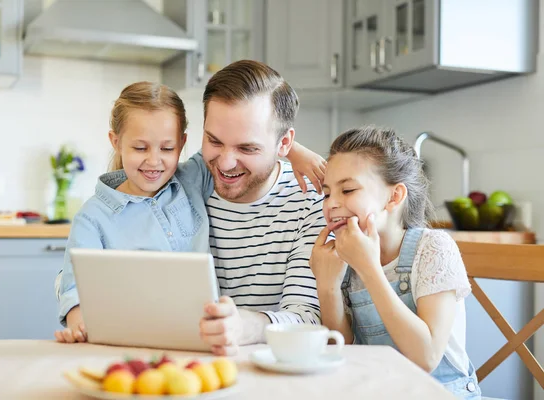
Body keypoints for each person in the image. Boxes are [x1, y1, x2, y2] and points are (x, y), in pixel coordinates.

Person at [54, 81, 324, 343]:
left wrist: (292, 151)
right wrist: (80, 325)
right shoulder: (93, 216)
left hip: (198, 339)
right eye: (139, 148)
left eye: (167, 148)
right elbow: (72, 286)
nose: (153, 160)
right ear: (116, 142)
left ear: (181, 144)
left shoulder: (190, 179)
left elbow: (248, 138)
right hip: (130, 339)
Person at [310, 126, 481, 398]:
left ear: (394, 196)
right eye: (327, 193)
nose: (332, 204)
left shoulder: (433, 248)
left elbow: (427, 357)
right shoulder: (345, 255)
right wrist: (327, 286)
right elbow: (344, 351)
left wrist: (369, 269)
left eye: (348, 189)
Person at [198, 60, 328, 356]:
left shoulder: (311, 204)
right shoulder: (186, 187)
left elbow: (307, 317)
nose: (226, 163)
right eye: (214, 141)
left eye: (247, 148)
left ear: (284, 144)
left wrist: (242, 327)